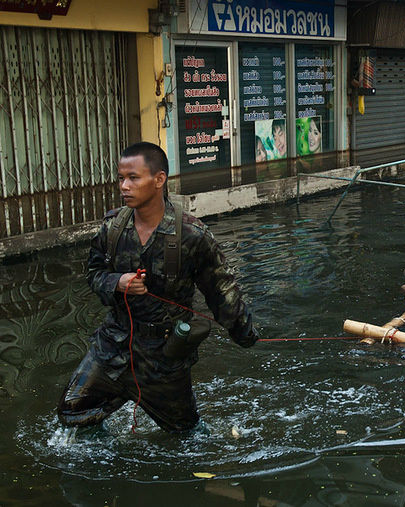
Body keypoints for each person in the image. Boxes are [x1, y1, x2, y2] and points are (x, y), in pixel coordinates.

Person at [58, 142, 258, 432]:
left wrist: (245, 334)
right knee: (71, 410)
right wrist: (118, 283)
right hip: (112, 346)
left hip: (163, 359)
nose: (124, 186)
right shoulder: (113, 229)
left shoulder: (191, 235)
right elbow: (93, 273)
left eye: (133, 178)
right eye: (121, 178)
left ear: (159, 180)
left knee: (185, 435)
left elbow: (222, 292)